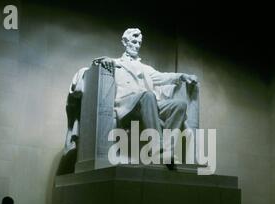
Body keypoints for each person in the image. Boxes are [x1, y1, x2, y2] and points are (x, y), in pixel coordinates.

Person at [62, 28, 199, 171]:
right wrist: (103, 60)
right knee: (148, 95)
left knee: (180, 105)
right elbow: (94, 65)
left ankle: (167, 150)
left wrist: (182, 76)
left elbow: (163, 76)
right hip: (126, 107)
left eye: (139, 43)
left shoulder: (145, 68)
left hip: (148, 104)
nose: (137, 45)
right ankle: (157, 149)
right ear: (125, 42)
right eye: (134, 41)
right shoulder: (114, 63)